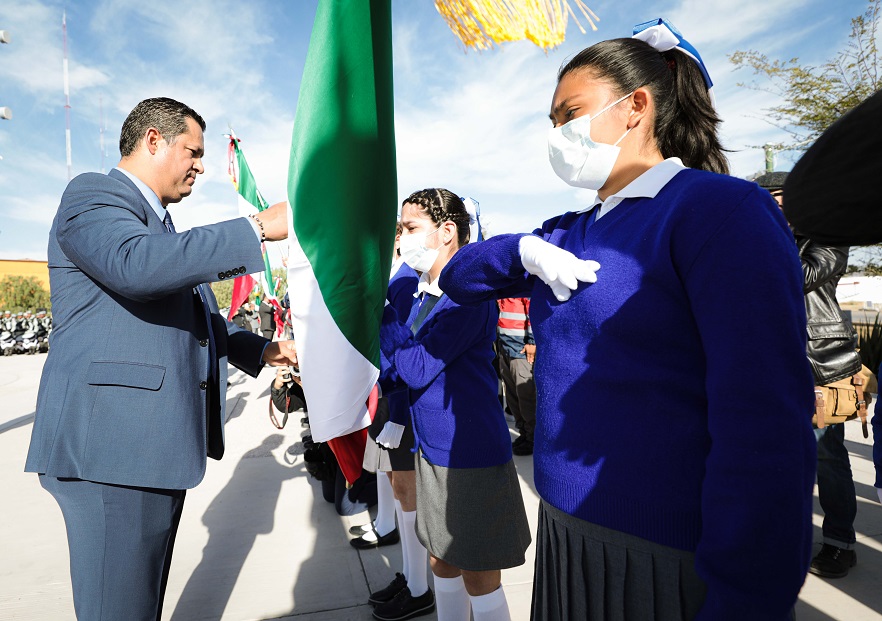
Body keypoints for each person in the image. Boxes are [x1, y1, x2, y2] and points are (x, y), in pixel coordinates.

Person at [440, 19, 816, 620]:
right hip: (567, 531)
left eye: (571, 113)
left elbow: (765, 428)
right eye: (552, 122)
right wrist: (519, 251)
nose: (558, 133)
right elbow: (459, 277)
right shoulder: (568, 230)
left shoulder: (717, 211)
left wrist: (746, 596)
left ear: (635, 106)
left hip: (663, 552)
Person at [24, 97, 297, 620]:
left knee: (138, 606)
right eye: (193, 152)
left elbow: (195, 317)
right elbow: (137, 267)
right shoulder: (93, 196)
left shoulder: (158, 224)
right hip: (111, 450)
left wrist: (262, 349)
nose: (200, 166)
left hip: (147, 447)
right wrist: (256, 229)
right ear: (153, 140)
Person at [376, 189, 531, 621]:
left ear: (446, 232)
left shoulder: (467, 298)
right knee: (440, 559)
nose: (402, 238)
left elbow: (418, 367)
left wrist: (383, 312)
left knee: (478, 573)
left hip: (469, 454)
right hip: (433, 450)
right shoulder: (424, 293)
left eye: (410, 228)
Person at [758, 171, 864, 579]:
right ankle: (784, 537)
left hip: (819, 364)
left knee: (827, 458)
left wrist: (768, 231)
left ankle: (840, 542)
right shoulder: (755, 238)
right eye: (768, 199)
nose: (777, 204)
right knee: (774, 457)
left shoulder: (826, 236)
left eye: (783, 198)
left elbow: (800, 276)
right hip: (769, 365)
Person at [271, 366, 377, 515]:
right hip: (330, 448)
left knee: (345, 508)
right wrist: (278, 385)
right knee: (329, 497)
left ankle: (385, 484)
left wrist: (315, 388)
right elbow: (286, 405)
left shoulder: (339, 374)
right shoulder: (307, 380)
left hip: (352, 447)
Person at [496, 297, 536, 455]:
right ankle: (524, 434)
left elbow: (532, 309)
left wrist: (532, 342)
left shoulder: (522, 282)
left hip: (521, 350)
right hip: (505, 346)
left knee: (526, 397)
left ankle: (533, 439)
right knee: (513, 397)